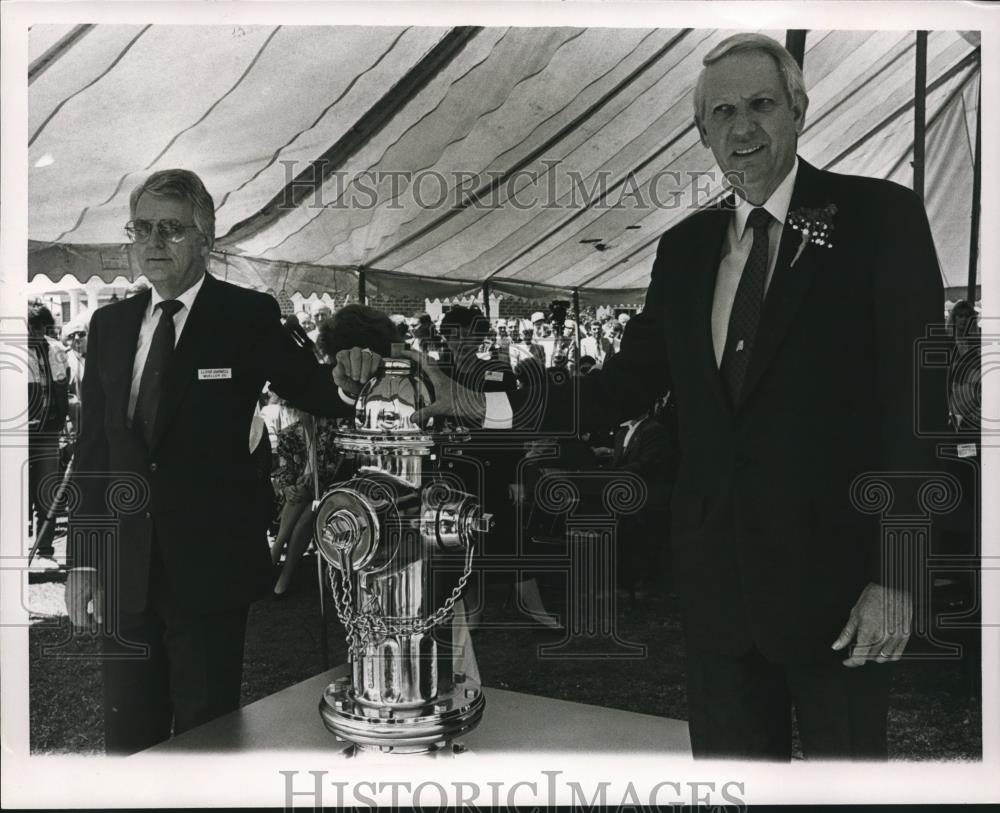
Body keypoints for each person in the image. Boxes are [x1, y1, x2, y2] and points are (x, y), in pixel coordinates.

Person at [347, 34, 945, 760]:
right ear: (703, 134)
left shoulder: (878, 218)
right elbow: (614, 389)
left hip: (843, 594)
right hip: (719, 598)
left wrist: (899, 574)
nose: (742, 127)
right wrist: (475, 403)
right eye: (721, 113)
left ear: (799, 108)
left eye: (760, 104)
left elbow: (919, 405)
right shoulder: (688, 248)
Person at [66, 169, 356, 755]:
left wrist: (363, 369)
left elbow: (320, 391)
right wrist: (83, 560)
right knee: (128, 739)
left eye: (171, 229)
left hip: (209, 567)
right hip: (125, 565)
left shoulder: (247, 315)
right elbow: (95, 450)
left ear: (207, 238)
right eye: (141, 227)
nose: (152, 243)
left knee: (205, 736)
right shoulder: (110, 324)